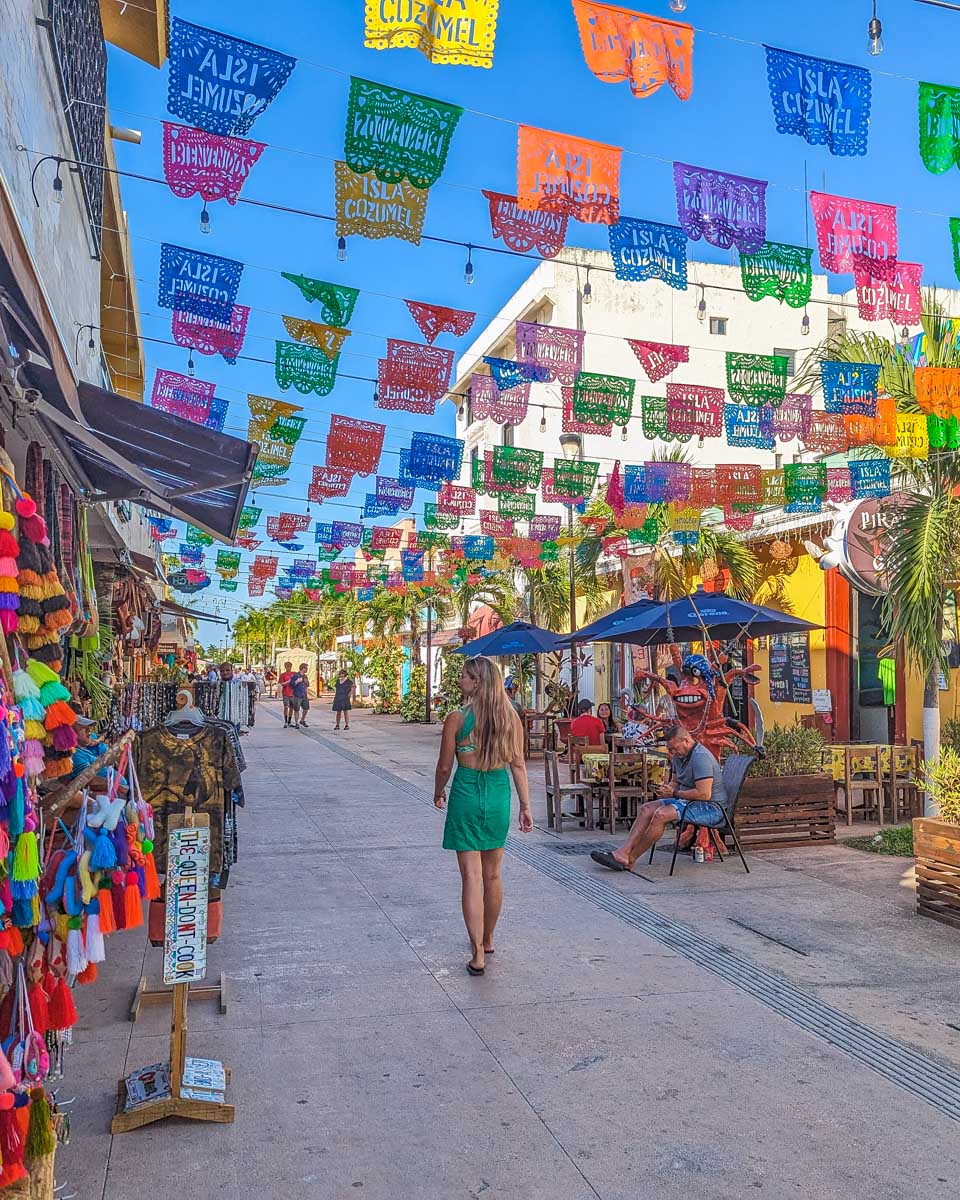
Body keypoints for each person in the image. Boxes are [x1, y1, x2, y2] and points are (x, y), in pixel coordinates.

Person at [433, 656, 532, 976]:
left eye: (463, 676)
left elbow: (445, 766)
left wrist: (438, 791)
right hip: (498, 794)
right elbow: (518, 765)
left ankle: (477, 952)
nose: (460, 680)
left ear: (476, 682)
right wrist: (526, 807)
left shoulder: (457, 719)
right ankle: (489, 938)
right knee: (493, 875)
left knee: (471, 878)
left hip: (466, 794)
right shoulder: (510, 717)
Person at [590, 725, 728, 872]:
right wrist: (665, 789)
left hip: (710, 808)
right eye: (670, 749)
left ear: (686, 741)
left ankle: (630, 859)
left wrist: (674, 793)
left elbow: (704, 794)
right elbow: (675, 782)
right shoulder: (678, 756)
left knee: (661, 815)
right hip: (687, 801)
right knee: (646, 809)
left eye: (674, 748)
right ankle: (623, 852)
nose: (672, 752)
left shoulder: (701, 758)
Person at [290, 663, 310, 728]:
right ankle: (296, 723)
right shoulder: (295, 675)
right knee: (296, 709)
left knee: (306, 708)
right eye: (306, 668)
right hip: (297, 695)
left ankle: (302, 720)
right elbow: (291, 685)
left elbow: (307, 684)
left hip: (304, 694)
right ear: (302, 668)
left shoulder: (305, 676)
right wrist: (296, 682)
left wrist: (307, 682)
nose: (307, 669)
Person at [279, 661, 295, 727]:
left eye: (289, 666)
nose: (288, 668)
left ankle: (289, 721)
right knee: (286, 707)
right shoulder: (282, 675)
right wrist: (288, 681)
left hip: (293, 693)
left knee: (292, 708)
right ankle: (285, 721)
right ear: (285, 667)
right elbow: (282, 684)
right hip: (285, 693)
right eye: (287, 666)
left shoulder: (294, 673)